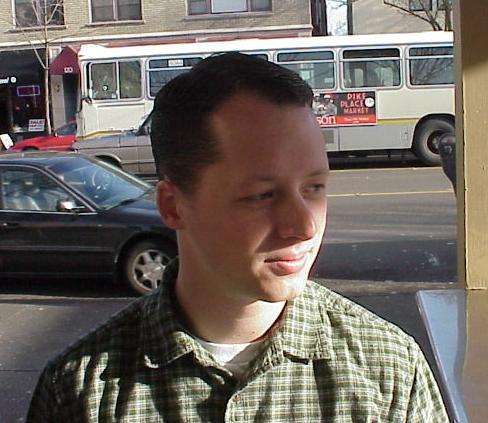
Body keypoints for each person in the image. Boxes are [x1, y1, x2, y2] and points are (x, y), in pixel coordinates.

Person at [26, 52, 449, 422]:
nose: (304, 227)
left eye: (314, 187)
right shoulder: (81, 391)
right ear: (173, 206)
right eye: (262, 195)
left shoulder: (388, 369)